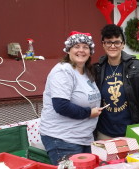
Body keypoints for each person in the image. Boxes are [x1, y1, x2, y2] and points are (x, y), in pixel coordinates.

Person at [40, 31, 102, 165]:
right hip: (62, 139)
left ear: (90, 52)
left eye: (85, 47)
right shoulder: (63, 70)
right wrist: (89, 113)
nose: (81, 50)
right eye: (76, 46)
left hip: (83, 138)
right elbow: (61, 106)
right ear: (68, 50)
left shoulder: (86, 72)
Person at [94, 24, 139, 140]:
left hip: (131, 132)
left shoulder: (135, 66)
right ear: (103, 44)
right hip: (104, 133)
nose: (113, 46)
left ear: (123, 44)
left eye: (117, 42)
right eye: (108, 42)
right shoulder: (98, 68)